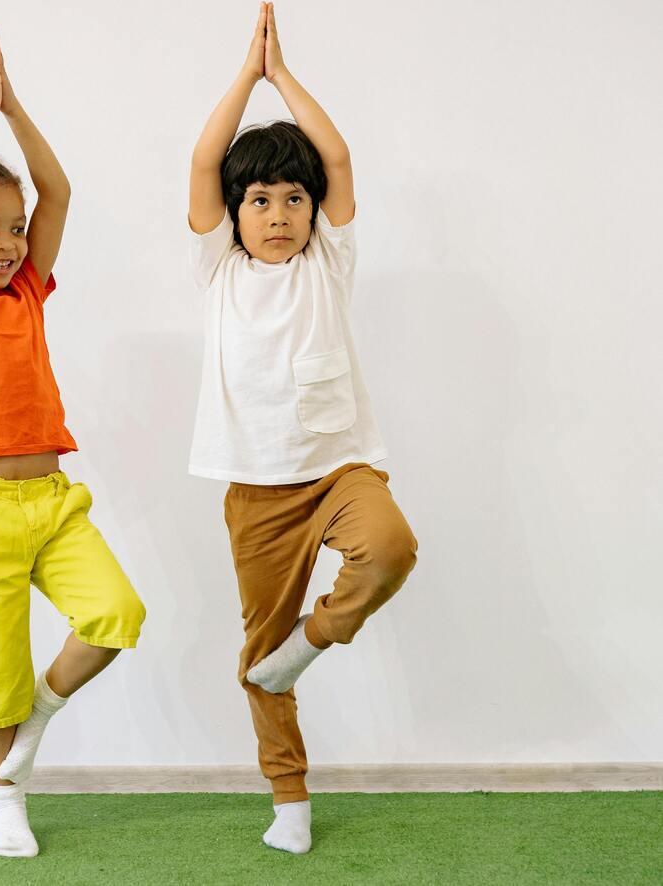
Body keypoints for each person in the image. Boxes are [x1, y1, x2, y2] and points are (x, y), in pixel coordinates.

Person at [0, 27, 147, 858]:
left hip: (52, 502)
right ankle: (4, 802)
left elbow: (58, 190)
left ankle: (42, 712)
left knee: (116, 614)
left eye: (13, 228)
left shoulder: (29, 292)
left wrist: (12, 108)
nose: (6, 243)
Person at [188, 3, 419, 854]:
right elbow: (204, 160)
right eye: (259, 201)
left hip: (337, 469)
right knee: (260, 656)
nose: (279, 214)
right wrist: (244, 77)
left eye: (293, 199)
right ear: (234, 213)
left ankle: (314, 637)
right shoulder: (218, 269)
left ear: (314, 212)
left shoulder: (328, 260)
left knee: (389, 548)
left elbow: (338, 157)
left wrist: (282, 76)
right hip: (256, 489)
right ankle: (288, 800)